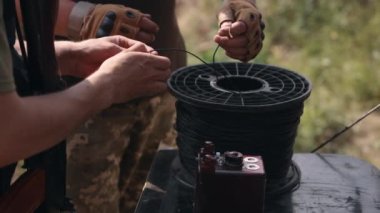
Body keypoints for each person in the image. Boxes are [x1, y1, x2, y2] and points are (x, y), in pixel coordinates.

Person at [53, 0, 265, 212]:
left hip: (166, 90)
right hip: (79, 101)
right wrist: (81, 18)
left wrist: (240, 7)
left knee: (161, 204)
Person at [0, 0, 171, 170]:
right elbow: (7, 132)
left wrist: (70, 56)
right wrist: (108, 85)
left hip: (132, 96)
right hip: (75, 113)